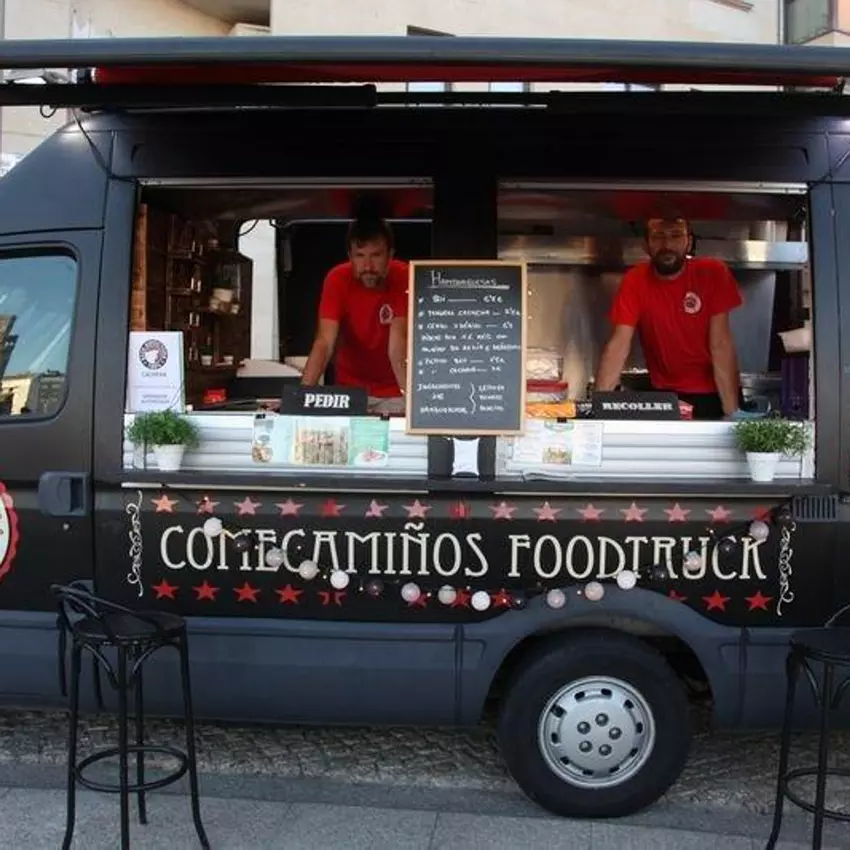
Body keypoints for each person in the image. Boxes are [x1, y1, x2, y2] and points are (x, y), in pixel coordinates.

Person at [594, 209, 746, 420]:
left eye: (676, 235)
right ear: (646, 245)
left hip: (714, 394)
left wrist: (732, 414)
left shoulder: (713, 273)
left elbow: (720, 344)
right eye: (658, 236)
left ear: (689, 242)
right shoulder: (635, 280)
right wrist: (598, 410)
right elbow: (618, 345)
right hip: (665, 397)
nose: (667, 245)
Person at [301, 217, 408, 413]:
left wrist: (411, 400)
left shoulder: (404, 276)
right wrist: (300, 398)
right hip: (349, 391)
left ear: (390, 255)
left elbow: (397, 345)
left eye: (376, 255)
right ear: (350, 256)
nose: (368, 266)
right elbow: (325, 342)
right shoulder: (337, 279)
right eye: (360, 255)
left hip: (395, 392)